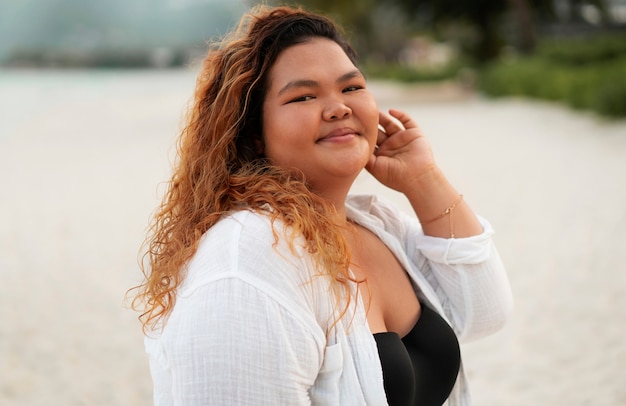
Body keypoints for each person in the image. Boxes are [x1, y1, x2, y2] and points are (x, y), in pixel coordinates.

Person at [130, 5, 513, 406]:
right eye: (304, 96)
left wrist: (422, 180)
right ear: (253, 135)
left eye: (351, 88)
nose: (338, 108)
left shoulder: (373, 224)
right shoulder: (246, 264)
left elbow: (483, 311)